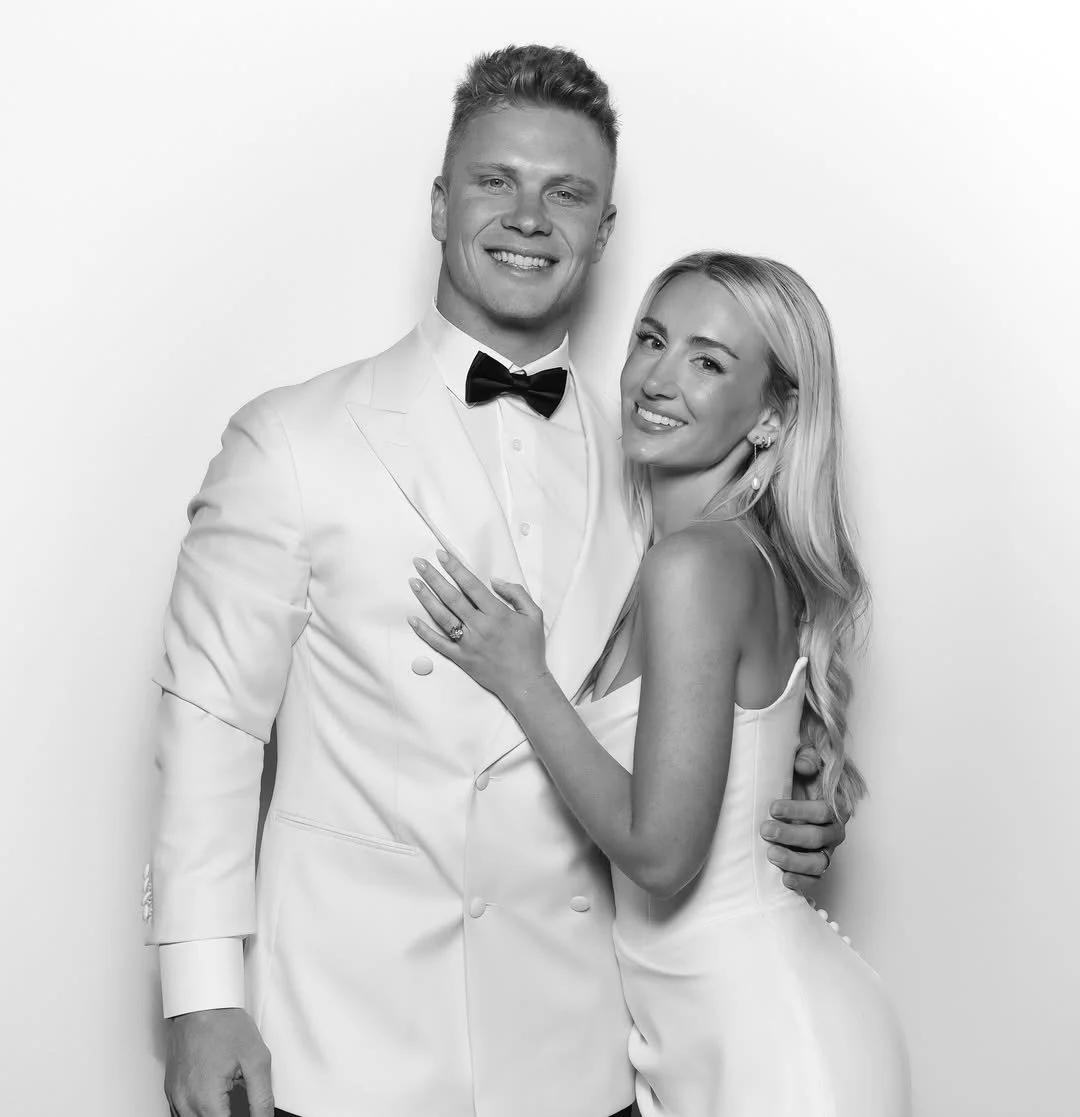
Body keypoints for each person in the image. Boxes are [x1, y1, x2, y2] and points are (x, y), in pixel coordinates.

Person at [145, 47, 847, 1117]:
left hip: (585, 1050)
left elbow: (696, 724)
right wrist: (201, 995)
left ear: (603, 232)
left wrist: (798, 782)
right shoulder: (291, 441)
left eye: (567, 193)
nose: (529, 215)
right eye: (494, 180)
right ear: (438, 203)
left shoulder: (655, 470)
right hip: (347, 1044)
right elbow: (211, 730)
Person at [408, 251, 912, 1115]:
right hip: (693, 1037)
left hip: (767, 1045)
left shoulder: (698, 565)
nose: (657, 377)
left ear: (772, 416)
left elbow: (664, 854)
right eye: (651, 338)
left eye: (709, 361)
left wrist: (522, 679)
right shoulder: (697, 555)